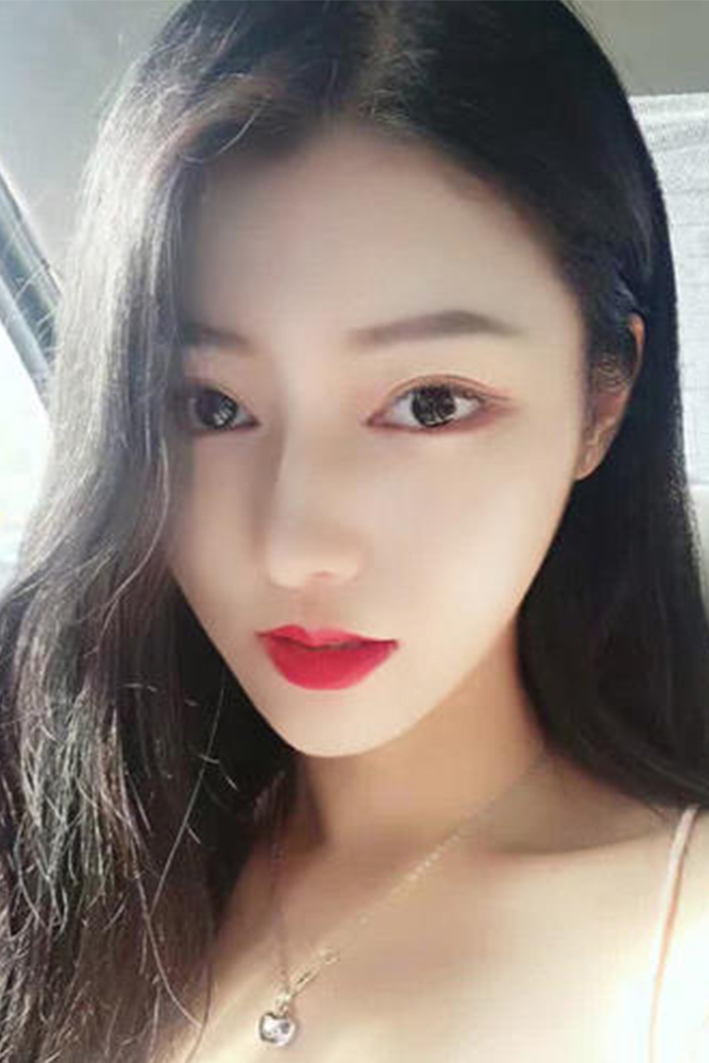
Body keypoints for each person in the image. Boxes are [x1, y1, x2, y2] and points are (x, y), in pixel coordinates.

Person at [1, 1, 709, 1061]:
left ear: (602, 399)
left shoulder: (678, 956)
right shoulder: (58, 860)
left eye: (430, 403)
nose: (295, 548)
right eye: (210, 407)